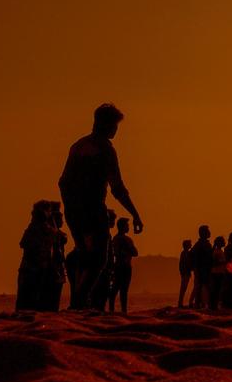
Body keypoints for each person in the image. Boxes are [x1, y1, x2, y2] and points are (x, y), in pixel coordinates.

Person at [58, 104, 143, 310]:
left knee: (83, 255)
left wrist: (70, 206)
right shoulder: (105, 149)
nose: (116, 130)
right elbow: (118, 187)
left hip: (73, 210)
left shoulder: (78, 146)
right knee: (98, 259)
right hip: (93, 209)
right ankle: (80, 301)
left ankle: (79, 300)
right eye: (114, 125)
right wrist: (135, 214)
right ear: (105, 124)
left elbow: (63, 182)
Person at [17, 201, 59, 311]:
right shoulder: (49, 230)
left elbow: (23, 244)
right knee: (35, 298)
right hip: (40, 267)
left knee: (25, 299)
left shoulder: (33, 229)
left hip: (30, 267)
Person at [108, 217, 138, 313]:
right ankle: (122, 310)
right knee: (122, 290)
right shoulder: (124, 239)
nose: (128, 227)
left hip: (120, 266)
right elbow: (134, 252)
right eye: (127, 225)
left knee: (117, 289)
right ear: (122, 227)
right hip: (123, 267)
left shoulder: (116, 239)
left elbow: (134, 252)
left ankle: (114, 309)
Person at [190, 225, 213, 309]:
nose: (209, 233)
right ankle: (198, 304)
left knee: (203, 286)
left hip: (205, 269)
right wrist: (196, 269)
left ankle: (201, 303)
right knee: (201, 286)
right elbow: (195, 257)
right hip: (201, 269)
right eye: (207, 231)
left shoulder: (205, 244)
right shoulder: (200, 245)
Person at [177, 239, 193, 307]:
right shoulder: (184, 253)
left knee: (183, 288)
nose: (191, 245)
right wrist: (183, 272)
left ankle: (180, 302)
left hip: (186, 273)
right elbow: (183, 264)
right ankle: (180, 303)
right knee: (183, 288)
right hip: (185, 273)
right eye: (190, 244)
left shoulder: (185, 253)